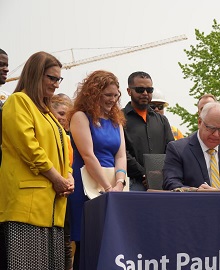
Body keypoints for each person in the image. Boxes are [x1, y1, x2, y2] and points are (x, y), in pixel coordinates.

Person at [0, 51, 74, 269]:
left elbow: (62, 151)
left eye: (58, 79)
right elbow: (29, 148)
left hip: (53, 209)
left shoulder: (48, 113)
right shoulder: (18, 101)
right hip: (26, 209)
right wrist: (57, 178)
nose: (56, 85)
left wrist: (68, 175)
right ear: (35, 74)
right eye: (51, 78)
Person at [68, 70, 127, 268]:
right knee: (86, 243)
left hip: (113, 186)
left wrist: (119, 183)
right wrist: (107, 187)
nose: (113, 100)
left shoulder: (116, 121)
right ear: (93, 93)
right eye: (108, 95)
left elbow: (120, 156)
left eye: (116, 95)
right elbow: (88, 155)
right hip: (87, 186)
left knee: (111, 242)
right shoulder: (80, 117)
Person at [163, 102, 220, 193]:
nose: (216, 135)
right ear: (199, 122)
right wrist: (197, 191)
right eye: (211, 128)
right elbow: (171, 183)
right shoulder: (178, 149)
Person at [123, 71, 174, 191]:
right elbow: (122, 152)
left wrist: (160, 174)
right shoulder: (119, 118)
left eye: (149, 90)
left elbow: (171, 149)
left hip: (161, 182)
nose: (145, 93)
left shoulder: (162, 120)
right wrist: (144, 174)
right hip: (133, 182)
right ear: (129, 91)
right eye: (140, 90)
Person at [50, 93, 74, 269]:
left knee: (65, 241)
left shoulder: (67, 138)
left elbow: (69, 165)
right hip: (47, 191)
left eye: (68, 115)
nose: (64, 119)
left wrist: (69, 178)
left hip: (64, 194)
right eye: (61, 113)